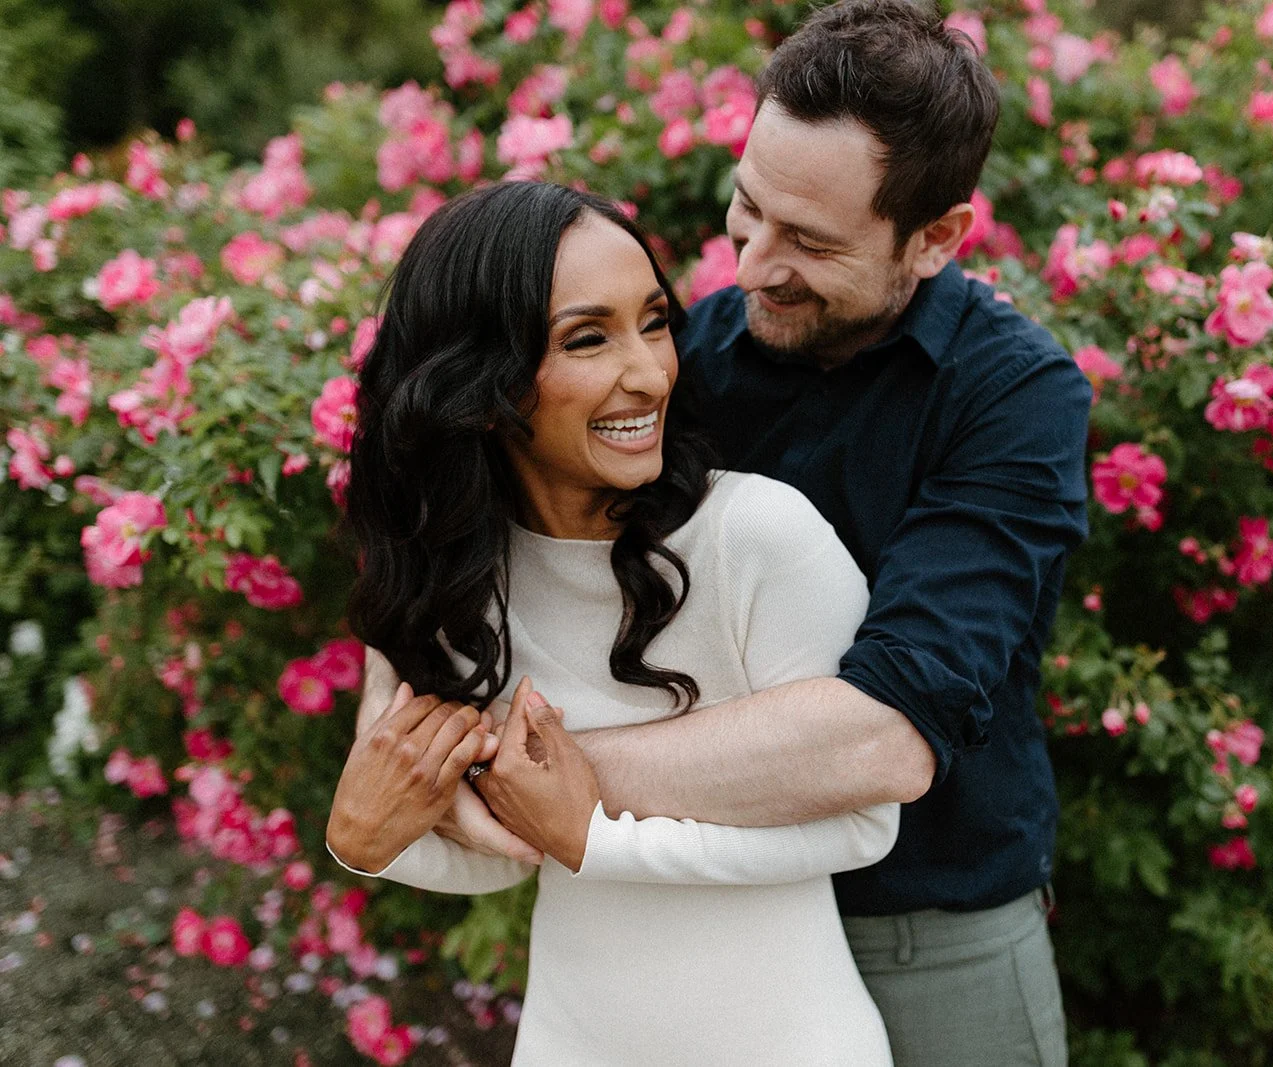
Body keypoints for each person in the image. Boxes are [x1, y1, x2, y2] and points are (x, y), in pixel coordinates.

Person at [363, 1, 1092, 1063]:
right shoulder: (686, 358)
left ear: (936, 238)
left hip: (927, 930)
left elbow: (882, 735)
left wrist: (527, 773)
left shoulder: (1014, 397)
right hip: (708, 936)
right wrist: (391, 730)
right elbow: (463, 508)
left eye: (808, 242)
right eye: (746, 209)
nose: (749, 265)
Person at [325, 179, 898, 1064]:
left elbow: (865, 823)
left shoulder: (758, 536)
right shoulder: (460, 580)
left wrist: (593, 837)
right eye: (588, 338)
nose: (649, 371)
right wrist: (366, 846)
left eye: (656, 322)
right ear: (481, 388)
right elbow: (496, 849)